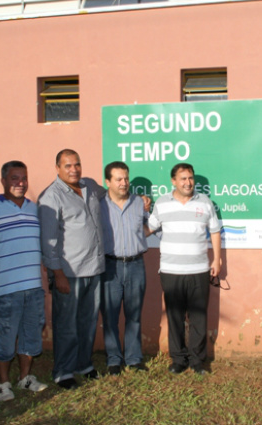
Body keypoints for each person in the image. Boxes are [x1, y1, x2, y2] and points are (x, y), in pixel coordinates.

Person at [38, 149, 106, 389]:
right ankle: (63, 372)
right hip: (69, 274)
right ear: (57, 167)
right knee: (66, 324)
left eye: (77, 164)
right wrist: (57, 274)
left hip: (94, 268)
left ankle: (84, 364)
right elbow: (49, 240)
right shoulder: (51, 197)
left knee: (87, 322)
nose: (74, 169)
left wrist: (137, 198)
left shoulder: (90, 186)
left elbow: (112, 194)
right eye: (67, 166)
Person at [147, 162, 222, 375]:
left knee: (198, 317)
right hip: (171, 271)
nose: (188, 182)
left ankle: (198, 361)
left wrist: (217, 260)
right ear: (173, 181)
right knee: (175, 316)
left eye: (190, 178)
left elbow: (215, 231)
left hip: (199, 270)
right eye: (183, 178)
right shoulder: (162, 203)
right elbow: (149, 228)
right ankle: (178, 360)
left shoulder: (205, 202)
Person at [0, 161, 48, 401]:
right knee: (4, 338)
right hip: (5, 288)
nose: (20, 183)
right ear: (3, 180)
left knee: (31, 336)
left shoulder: (35, 209)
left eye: (24, 178)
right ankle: (3, 384)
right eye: (14, 178)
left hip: (33, 287)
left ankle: (25, 378)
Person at [100, 161, 149, 376]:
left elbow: (148, 228)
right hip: (110, 266)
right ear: (107, 181)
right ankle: (113, 359)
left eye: (126, 178)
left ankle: (134, 358)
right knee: (110, 316)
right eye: (118, 179)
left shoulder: (140, 203)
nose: (124, 183)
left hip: (136, 264)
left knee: (134, 315)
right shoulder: (98, 205)